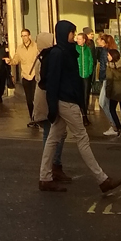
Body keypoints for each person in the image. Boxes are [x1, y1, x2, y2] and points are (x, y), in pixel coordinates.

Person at [38, 20, 121, 196]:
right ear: (63, 33)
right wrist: (53, 106)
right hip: (66, 102)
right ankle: (102, 179)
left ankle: (45, 178)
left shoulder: (66, 52)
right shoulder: (59, 54)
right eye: (71, 33)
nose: (73, 36)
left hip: (65, 101)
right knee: (82, 138)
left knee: (53, 138)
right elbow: (53, 81)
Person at [33, 32, 69, 184]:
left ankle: (54, 166)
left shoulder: (42, 58)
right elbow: (46, 81)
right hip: (47, 100)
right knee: (52, 135)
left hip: (46, 99)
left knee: (54, 134)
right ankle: (52, 167)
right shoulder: (45, 59)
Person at [12, 29, 41, 128]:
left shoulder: (36, 46)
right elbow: (16, 59)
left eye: (25, 35)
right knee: (29, 99)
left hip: (34, 75)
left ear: (29, 36)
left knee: (35, 98)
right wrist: (10, 61)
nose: (24, 37)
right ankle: (32, 118)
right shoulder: (19, 48)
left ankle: (38, 117)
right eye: (22, 36)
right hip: (25, 76)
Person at [104, 47, 121, 138]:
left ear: (112, 56)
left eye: (108, 55)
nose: (107, 56)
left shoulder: (110, 66)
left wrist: (108, 93)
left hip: (115, 91)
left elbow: (109, 81)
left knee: (112, 110)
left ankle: (119, 128)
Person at [76, 32, 96, 113]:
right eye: (77, 39)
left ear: (84, 40)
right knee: (78, 94)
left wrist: (90, 71)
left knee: (86, 94)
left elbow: (91, 60)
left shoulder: (88, 49)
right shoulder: (75, 48)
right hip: (77, 75)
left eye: (79, 39)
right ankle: (79, 111)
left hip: (86, 75)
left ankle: (84, 111)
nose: (77, 40)